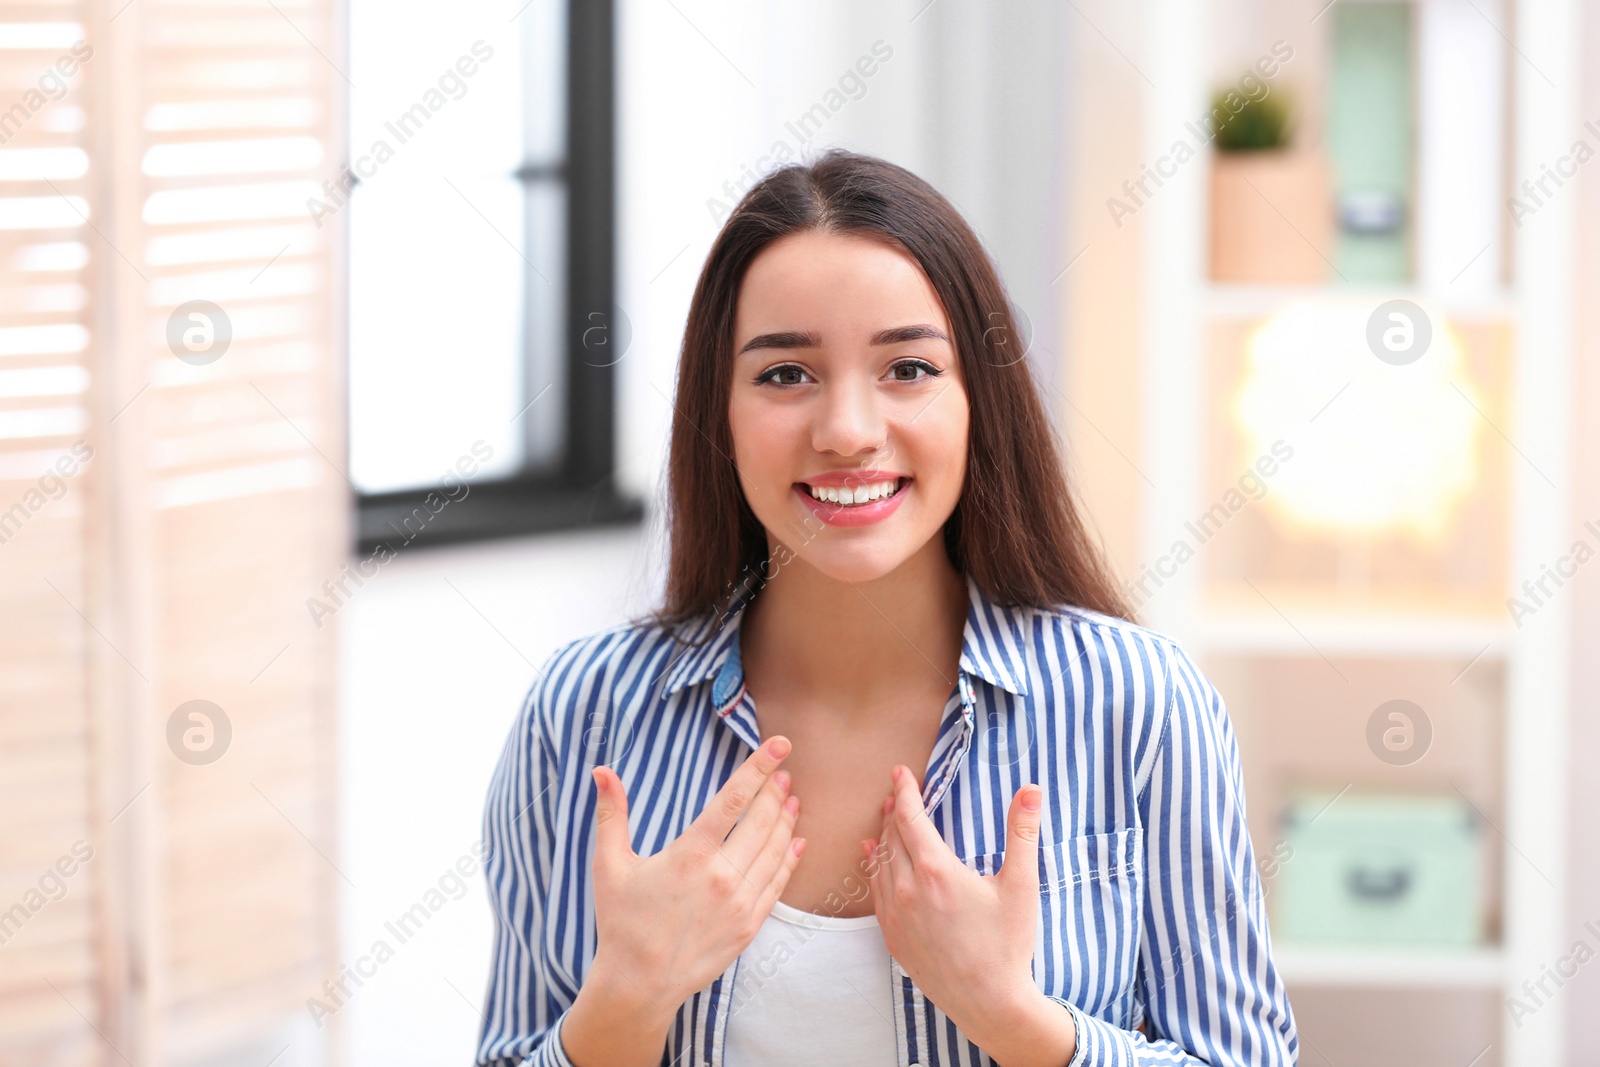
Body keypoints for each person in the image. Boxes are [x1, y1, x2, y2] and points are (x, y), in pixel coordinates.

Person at [475, 149, 1298, 1067]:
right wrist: (625, 1002)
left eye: (907, 367)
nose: (848, 431)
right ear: (721, 409)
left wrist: (1015, 1017)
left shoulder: (1138, 703)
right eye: (786, 374)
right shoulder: (583, 712)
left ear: (978, 397)